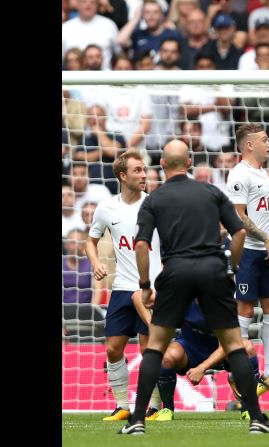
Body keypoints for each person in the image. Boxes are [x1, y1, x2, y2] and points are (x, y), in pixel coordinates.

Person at [118, 139, 269, 435]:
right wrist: (231, 270)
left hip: (176, 271)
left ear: (162, 165)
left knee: (155, 347)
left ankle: (137, 420)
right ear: (189, 163)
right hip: (212, 270)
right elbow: (240, 231)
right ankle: (257, 418)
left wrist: (144, 285)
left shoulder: (154, 199)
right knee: (234, 345)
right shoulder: (211, 192)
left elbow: (141, 245)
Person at [86, 151, 163, 421]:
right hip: (121, 287)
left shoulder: (155, 204)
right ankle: (122, 406)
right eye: (138, 171)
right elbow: (90, 240)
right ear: (123, 175)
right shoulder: (107, 207)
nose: (144, 175)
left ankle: (154, 407)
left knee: (148, 348)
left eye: (144, 170)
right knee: (113, 348)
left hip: (150, 288)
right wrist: (95, 262)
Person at [226, 124, 269, 398]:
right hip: (250, 251)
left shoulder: (262, 172)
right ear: (249, 145)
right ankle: (238, 372)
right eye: (265, 140)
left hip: (266, 248)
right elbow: (238, 215)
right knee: (246, 310)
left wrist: (268, 240)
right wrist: (266, 238)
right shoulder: (239, 174)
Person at [147, 300, 268, 421]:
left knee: (247, 348)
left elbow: (226, 345)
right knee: (165, 356)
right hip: (189, 349)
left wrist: (201, 368)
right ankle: (167, 409)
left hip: (219, 352)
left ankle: (249, 408)